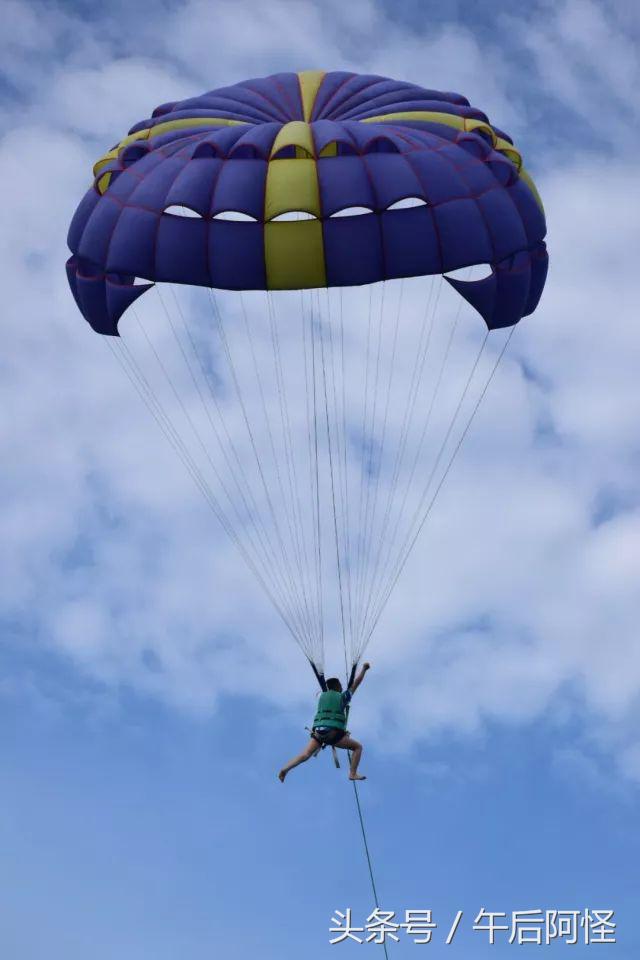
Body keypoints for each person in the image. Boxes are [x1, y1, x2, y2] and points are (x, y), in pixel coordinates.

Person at [278, 663, 371, 783]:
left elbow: (323, 692)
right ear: (337, 687)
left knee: (305, 754)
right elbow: (356, 683)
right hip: (332, 734)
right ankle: (352, 773)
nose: (342, 687)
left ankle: (284, 769)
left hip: (318, 733)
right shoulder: (343, 697)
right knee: (358, 747)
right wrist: (364, 669)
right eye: (340, 685)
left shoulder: (320, 696)